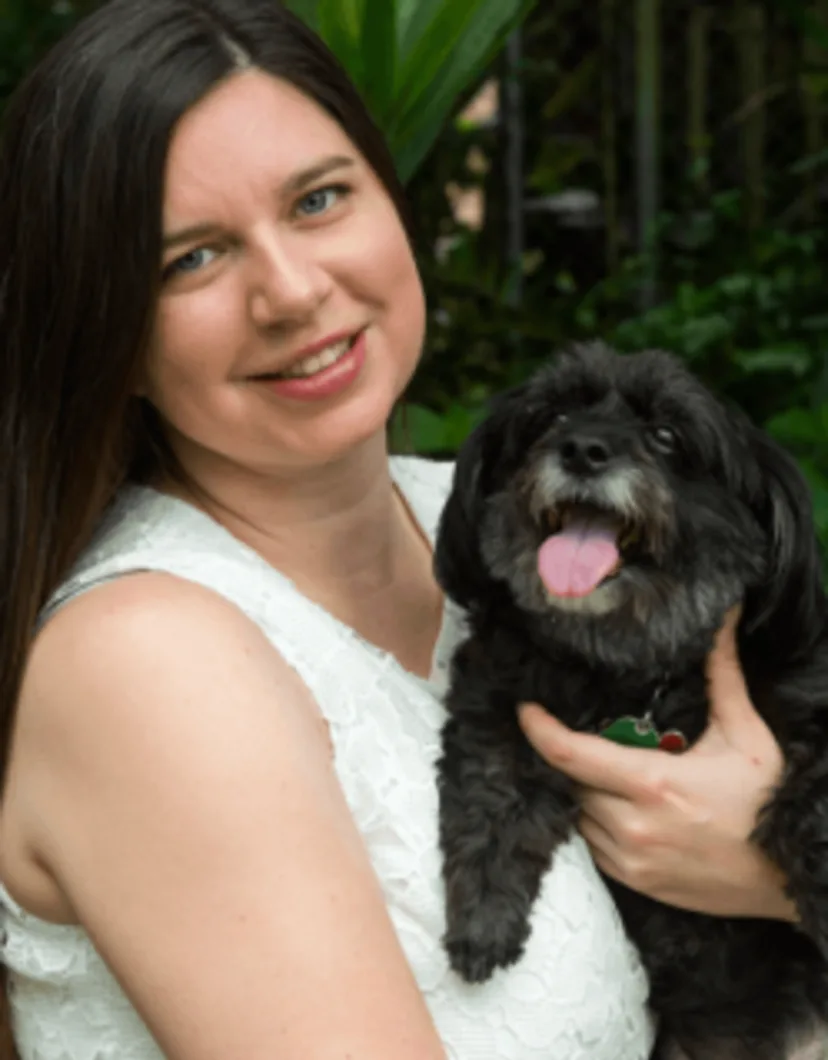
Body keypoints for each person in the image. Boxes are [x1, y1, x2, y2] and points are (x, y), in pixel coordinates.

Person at [0, 1, 801, 1058]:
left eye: (320, 199)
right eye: (190, 260)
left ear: (395, 200)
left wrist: (770, 868)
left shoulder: (494, 527)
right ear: (105, 329)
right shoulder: (147, 663)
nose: (291, 291)